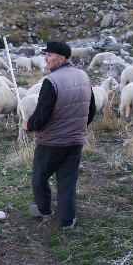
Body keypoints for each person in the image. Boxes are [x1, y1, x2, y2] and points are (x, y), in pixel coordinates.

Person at [21, 40, 96, 230]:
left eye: (49, 55)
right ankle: (67, 220)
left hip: (51, 142)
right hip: (75, 140)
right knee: (67, 179)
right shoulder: (83, 76)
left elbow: (42, 113)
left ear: (60, 58)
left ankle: (44, 209)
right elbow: (91, 109)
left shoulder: (51, 81)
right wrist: (78, 127)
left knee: (40, 176)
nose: (45, 58)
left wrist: (28, 124)